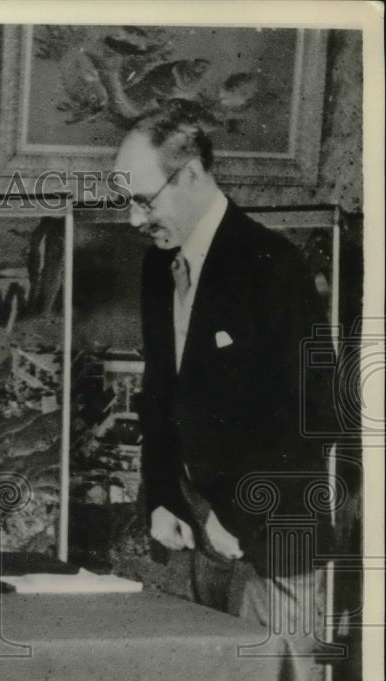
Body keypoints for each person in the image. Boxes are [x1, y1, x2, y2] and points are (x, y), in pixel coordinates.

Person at [114, 113, 336, 647]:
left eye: (143, 200)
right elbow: (161, 393)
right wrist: (162, 497)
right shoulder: (158, 267)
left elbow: (314, 411)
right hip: (195, 533)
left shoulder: (272, 263)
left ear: (191, 174)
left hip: (271, 536)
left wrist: (236, 516)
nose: (133, 218)